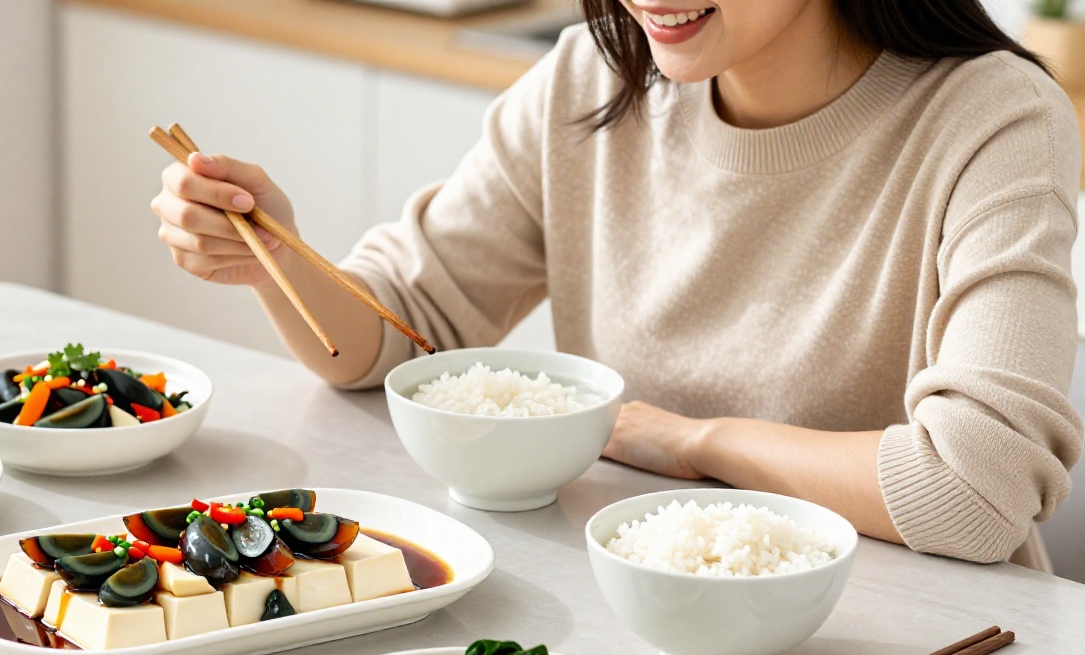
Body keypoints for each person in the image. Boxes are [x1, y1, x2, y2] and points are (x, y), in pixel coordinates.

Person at [150, 0, 1083, 569]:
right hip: (641, 608)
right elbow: (393, 335)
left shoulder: (992, 119)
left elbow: (973, 488)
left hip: (922, 649)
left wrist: (692, 442)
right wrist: (266, 253)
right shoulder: (593, 77)